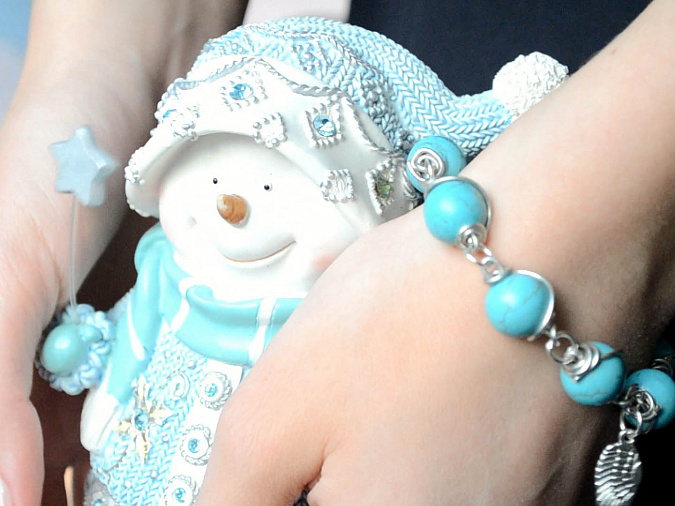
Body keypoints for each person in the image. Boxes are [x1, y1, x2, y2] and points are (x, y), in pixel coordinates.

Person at [0, 1, 673, 505]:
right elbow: (130, 345)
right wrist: (102, 69)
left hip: (476, 295)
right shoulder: (161, 278)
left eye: (264, 185)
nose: (231, 207)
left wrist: (590, 219)